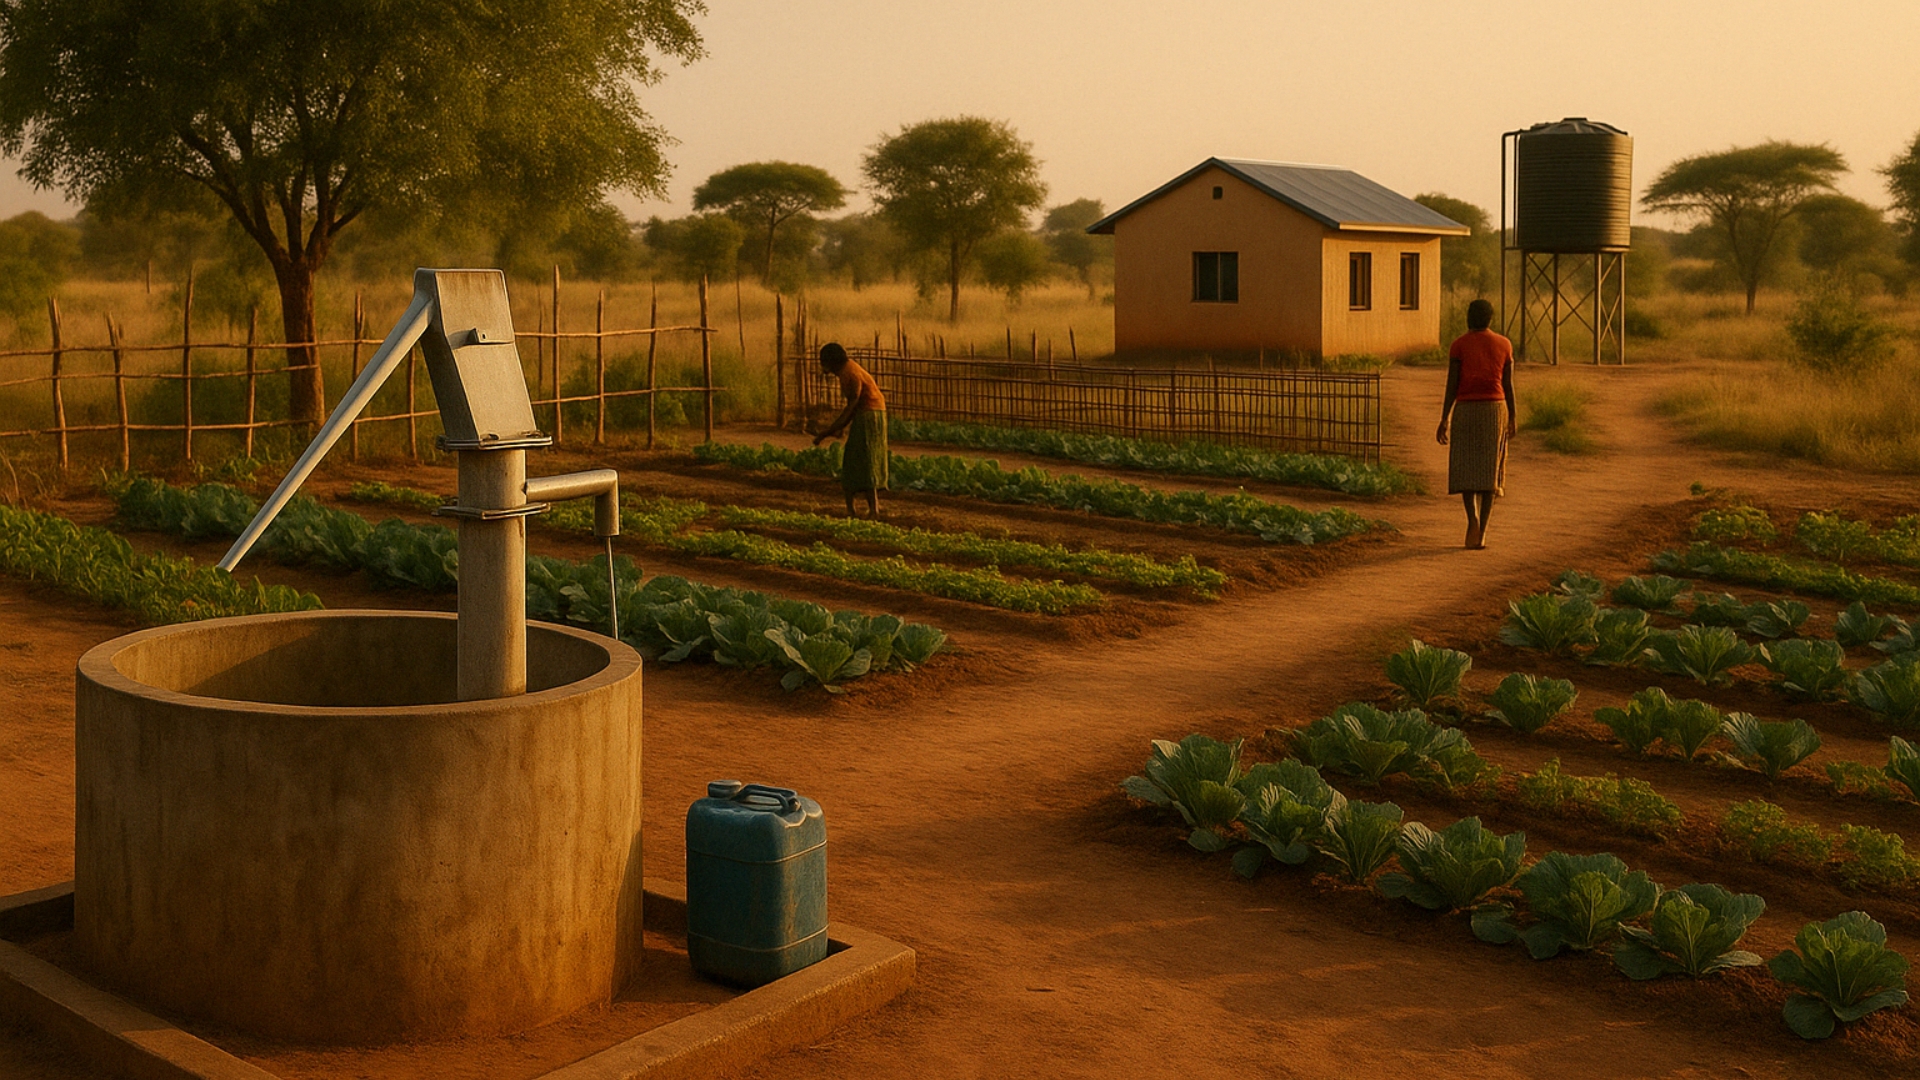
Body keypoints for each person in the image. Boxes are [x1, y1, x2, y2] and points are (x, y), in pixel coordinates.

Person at [1435, 298, 1516, 550]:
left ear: (1468, 318)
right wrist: (1513, 416)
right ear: (1490, 319)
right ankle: (1483, 529)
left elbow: (1452, 384)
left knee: (1466, 469)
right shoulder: (1504, 344)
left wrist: (1444, 418)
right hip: (1495, 410)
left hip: (1466, 410)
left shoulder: (1459, 345)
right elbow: (1508, 385)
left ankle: (1472, 519)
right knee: (1490, 471)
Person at [811, 342, 888, 518]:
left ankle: (857, 510)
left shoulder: (849, 373)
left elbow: (852, 406)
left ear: (831, 362)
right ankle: (867, 509)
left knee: (858, 461)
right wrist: (839, 428)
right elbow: (853, 406)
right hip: (874, 414)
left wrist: (827, 432)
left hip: (869, 416)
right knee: (867, 461)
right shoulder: (848, 369)